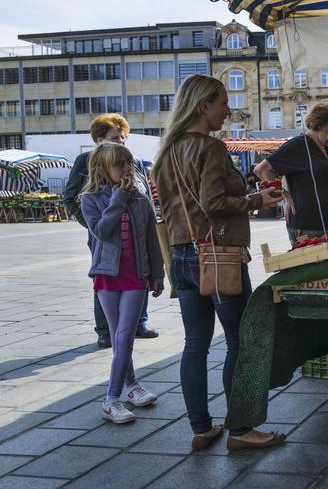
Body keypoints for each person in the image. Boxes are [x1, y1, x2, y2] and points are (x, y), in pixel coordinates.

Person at [152, 74, 285, 451]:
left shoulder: (167, 150)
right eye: (223, 103)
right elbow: (212, 204)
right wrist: (258, 201)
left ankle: (201, 428)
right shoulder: (210, 148)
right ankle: (241, 430)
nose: (228, 110)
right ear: (203, 106)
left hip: (181, 255)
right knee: (239, 342)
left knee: (195, 344)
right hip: (217, 255)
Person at [80, 143, 164, 424]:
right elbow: (102, 231)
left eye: (129, 163)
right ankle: (129, 388)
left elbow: (153, 241)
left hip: (135, 276)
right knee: (119, 339)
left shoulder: (141, 199)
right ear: (103, 168)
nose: (127, 169)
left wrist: (158, 275)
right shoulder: (90, 199)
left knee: (125, 336)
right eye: (120, 164)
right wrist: (117, 198)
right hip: (107, 275)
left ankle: (112, 397)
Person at [64, 114, 158, 348]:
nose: (121, 142)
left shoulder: (131, 159)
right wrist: (91, 225)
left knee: (140, 271)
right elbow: (71, 196)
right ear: (99, 139)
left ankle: (140, 322)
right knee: (106, 277)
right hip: (103, 233)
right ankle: (105, 329)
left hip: (133, 228)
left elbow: (143, 190)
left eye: (123, 137)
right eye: (115, 137)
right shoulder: (85, 159)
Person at [254, 103, 328, 245]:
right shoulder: (299, 145)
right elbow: (262, 169)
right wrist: (284, 195)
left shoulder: (325, 147)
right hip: (309, 227)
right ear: (319, 125)